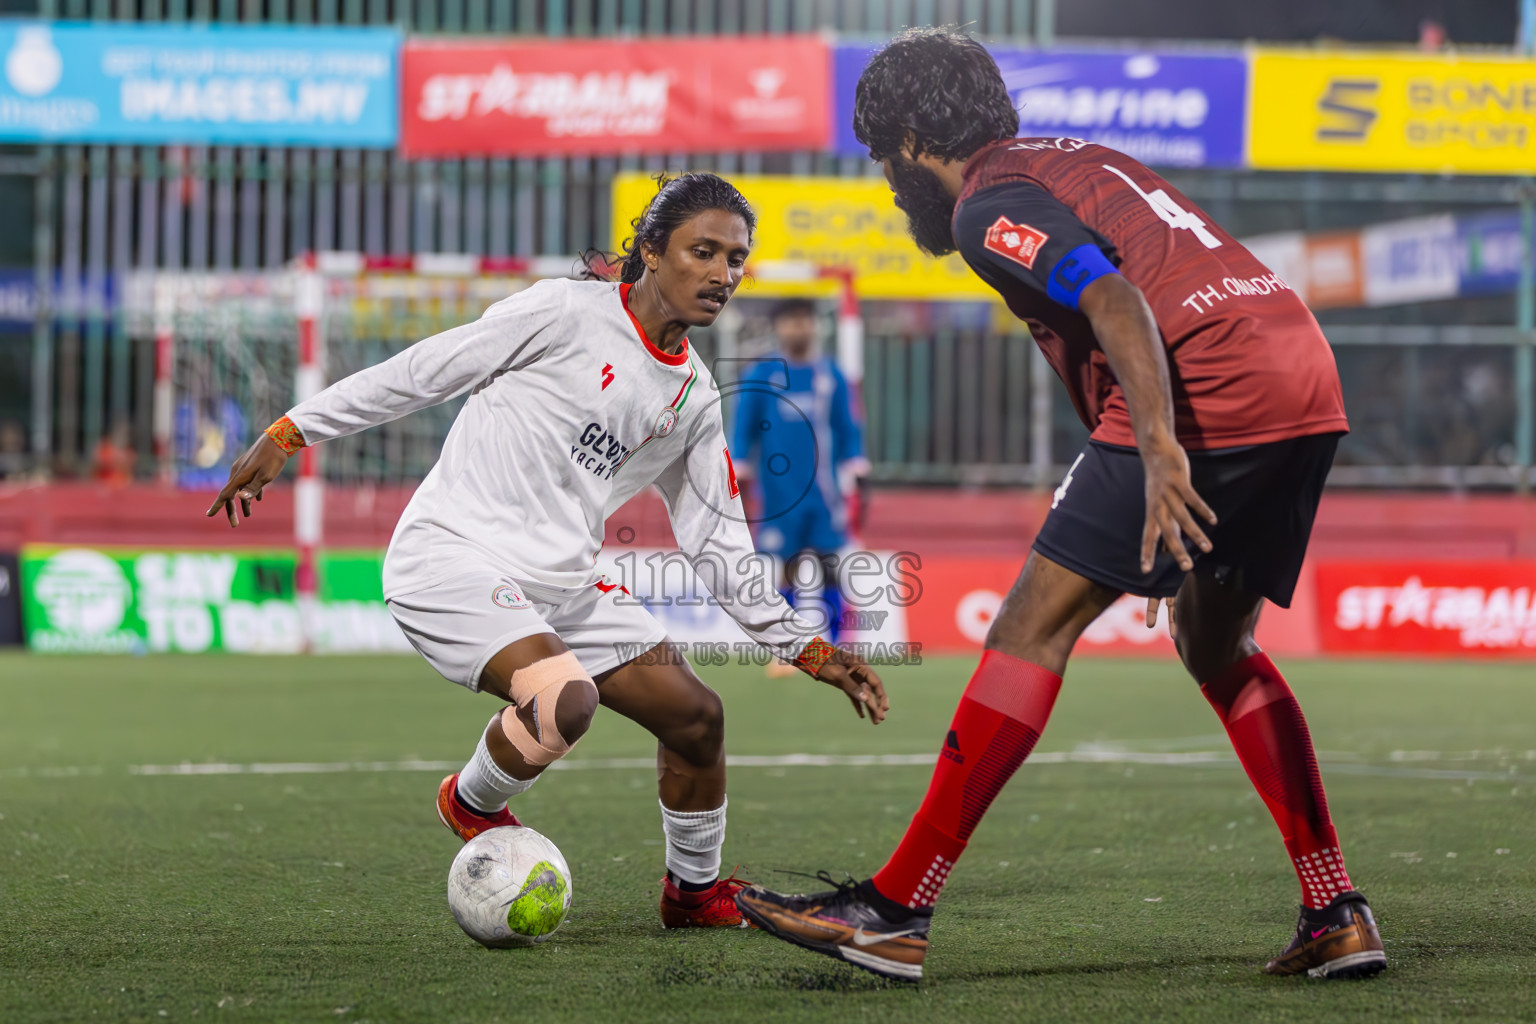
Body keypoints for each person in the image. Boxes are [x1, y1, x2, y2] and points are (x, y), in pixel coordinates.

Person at [736, 28, 1383, 982]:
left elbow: (1119, 302)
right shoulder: (1080, 158)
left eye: (884, 156)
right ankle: (1336, 908)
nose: (888, 178)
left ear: (915, 136)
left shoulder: (985, 205)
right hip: (1300, 370)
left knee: (1027, 630)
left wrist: (1162, 453)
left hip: (1204, 381)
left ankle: (893, 911)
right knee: (1217, 644)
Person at [206, 173, 888, 930]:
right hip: (451, 556)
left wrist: (808, 648)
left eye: (736, 258)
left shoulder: (694, 396)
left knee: (697, 718)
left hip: (563, 581)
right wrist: (293, 429)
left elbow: (717, 541)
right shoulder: (563, 311)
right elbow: (424, 371)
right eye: (705, 251)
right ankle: (469, 802)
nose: (724, 274)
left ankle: (693, 897)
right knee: (566, 700)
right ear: (653, 252)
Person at [730, 298, 868, 676]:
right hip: (778, 494)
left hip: (824, 495)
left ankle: (842, 647)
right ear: (779, 328)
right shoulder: (762, 375)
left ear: (815, 326)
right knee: (783, 570)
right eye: (792, 321)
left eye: (805, 320)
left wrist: (856, 461)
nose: (799, 328)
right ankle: (788, 650)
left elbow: (848, 427)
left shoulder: (830, 375)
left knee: (831, 568)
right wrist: (739, 464)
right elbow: (744, 428)